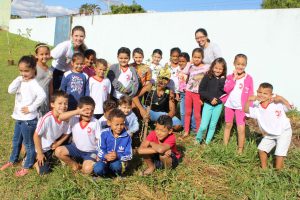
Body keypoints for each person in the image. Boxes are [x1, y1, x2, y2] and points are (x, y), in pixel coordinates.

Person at [0, 55, 46, 177]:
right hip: (19, 118)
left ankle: (27, 166)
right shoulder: (21, 80)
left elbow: (42, 96)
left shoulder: (33, 83)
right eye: (21, 71)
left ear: (33, 70)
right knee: (16, 141)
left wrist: (31, 108)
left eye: (26, 71)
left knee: (29, 144)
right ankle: (13, 160)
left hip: (28, 121)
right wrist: (19, 79)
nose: (23, 73)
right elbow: (10, 90)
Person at [244, 83, 293, 169]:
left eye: (265, 93)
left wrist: (281, 98)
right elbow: (246, 110)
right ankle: (264, 170)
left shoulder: (277, 103)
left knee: (279, 155)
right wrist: (248, 100)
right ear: (256, 92)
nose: (261, 95)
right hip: (269, 134)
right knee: (261, 149)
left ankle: (279, 174)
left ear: (271, 95)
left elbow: (290, 107)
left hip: (284, 132)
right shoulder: (257, 107)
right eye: (259, 92)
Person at [55, 96, 100, 174]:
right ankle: (76, 166)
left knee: (87, 170)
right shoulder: (74, 118)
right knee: (58, 151)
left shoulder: (95, 122)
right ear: (78, 109)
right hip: (76, 148)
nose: (89, 113)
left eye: (92, 110)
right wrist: (77, 112)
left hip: (90, 151)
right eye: (86, 110)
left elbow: (99, 139)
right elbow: (61, 117)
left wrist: (99, 153)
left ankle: (87, 165)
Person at [133, 67, 182, 131]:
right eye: (161, 78)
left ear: (168, 81)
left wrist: (163, 120)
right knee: (133, 105)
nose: (162, 81)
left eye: (165, 79)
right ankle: (137, 123)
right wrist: (142, 110)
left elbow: (172, 111)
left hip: (162, 115)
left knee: (178, 126)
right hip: (148, 111)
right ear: (157, 78)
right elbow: (135, 97)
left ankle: (160, 126)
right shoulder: (150, 86)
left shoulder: (169, 92)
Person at [33, 91, 70, 175]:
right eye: (60, 103)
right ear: (52, 104)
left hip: (53, 146)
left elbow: (67, 133)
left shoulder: (66, 118)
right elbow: (36, 136)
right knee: (44, 173)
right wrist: (40, 153)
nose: (63, 106)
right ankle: (34, 161)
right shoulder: (46, 118)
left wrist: (58, 143)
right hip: (43, 149)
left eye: (66, 103)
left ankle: (55, 156)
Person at [223, 54, 254, 154]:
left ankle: (240, 149)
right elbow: (226, 89)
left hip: (241, 107)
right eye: (238, 64)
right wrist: (234, 79)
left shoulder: (249, 78)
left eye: (243, 64)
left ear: (246, 65)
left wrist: (250, 109)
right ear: (234, 64)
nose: (240, 66)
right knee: (228, 125)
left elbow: (251, 94)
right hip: (229, 105)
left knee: (241, 128)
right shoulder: (229, 77)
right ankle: (224, 146)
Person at [196, 57, 227, 144]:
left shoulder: (224, 80)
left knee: (212, 125)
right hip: (208, 104)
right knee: (203, 126)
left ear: (224, 70)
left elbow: (224, 92)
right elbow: (201, 90)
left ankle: (207, 142)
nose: (218, 70)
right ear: (212, 67)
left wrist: (222, 81)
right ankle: (198, 140)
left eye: (220, 69)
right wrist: (210, 98)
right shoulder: (207, 76)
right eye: (216, 68)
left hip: (218, 105)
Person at [93, 108, 132, 177]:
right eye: (116, 124)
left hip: (117, 161)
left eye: (122, 124)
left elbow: (129, 155)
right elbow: (98, 149)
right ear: (109, 123)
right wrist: (105, 155)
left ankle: (114, 175)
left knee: (116, 165)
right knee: (98, 168)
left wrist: (118, 155)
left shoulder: (127, 136)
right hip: (104, 160)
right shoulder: (104, 133)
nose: (119, 127)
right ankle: (103, 174)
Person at [182, 48, 210, 138]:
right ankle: (186, 131)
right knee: (188, 112)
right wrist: (189, 63)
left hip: (198, 94)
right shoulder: (190, 66)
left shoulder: (206, 67)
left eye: (199, 57)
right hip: (188, 92)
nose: (196, 59)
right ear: (192, 57)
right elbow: (184, 73)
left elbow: (211, 75)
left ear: (202, 58)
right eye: (194, 57)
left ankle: (199, 132)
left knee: (197, 114)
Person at [51, 26, 87, 90]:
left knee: (65, 93)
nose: (78, 38)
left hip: (69, 73)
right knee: (54, 92)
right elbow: (50, 56)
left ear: (84, 37)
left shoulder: (83, 50)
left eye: (81, 36)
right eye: (76, 36)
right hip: (56, 71)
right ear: (72, 36)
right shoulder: (65, 45)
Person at [35, 43, 53, 117]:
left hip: (45, 102)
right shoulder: (33, 67)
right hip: (35, 101)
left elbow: (50, 86)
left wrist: (51, 101)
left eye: (46, 54)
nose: (44, 56)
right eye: (41, 54)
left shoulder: (50, 70)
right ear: (36, 55)